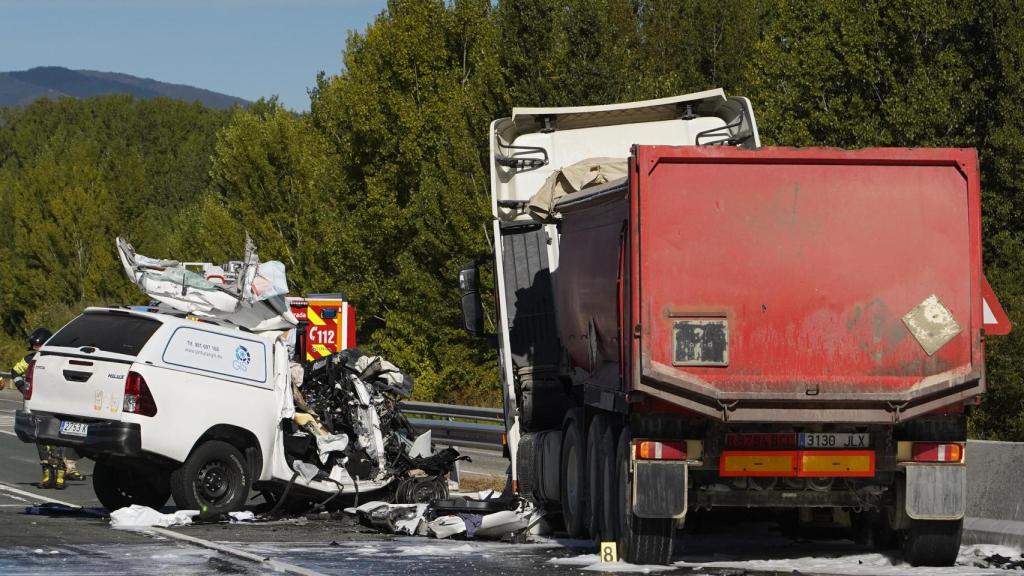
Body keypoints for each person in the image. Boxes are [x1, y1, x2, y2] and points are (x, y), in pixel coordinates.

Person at [10, 328, 83, 488]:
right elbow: (15, 371)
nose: (36, 348)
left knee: (56, 437)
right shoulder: (29, 359)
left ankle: (60, 475)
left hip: (56, 404)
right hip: (36, 404)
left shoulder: (58, 359)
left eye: (39, 345)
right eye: (34, 346)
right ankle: (47, 474)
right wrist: (22, 386)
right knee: (40, 438)